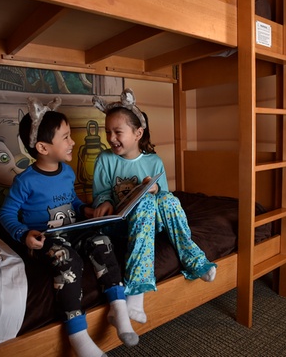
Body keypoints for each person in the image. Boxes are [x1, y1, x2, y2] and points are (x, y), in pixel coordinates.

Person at [0, 98, 138, 357]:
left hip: (73, 230)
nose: (72, 142)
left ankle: (118, 308)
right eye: (65, 137)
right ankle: (78, 335)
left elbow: (72, 201)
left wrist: (86, 210)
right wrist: (24, 234)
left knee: (101, 241)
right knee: (68, 260)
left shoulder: (66, 171)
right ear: (42, 147)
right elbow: (6, 213)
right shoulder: (25, 181)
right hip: (46, 238)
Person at [92, 89, 217, 323]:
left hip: (151, 222)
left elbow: (166, 198)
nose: (111, 138)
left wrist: (156, 190)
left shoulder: (153, 161)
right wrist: (105, 202)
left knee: (167, 200)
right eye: (107, 132)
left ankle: (193, 258)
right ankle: (137, 292)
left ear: (138, 133)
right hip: (120, 225)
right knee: (146, 203)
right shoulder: (104, 160)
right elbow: (99, 194)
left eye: (117, 132)